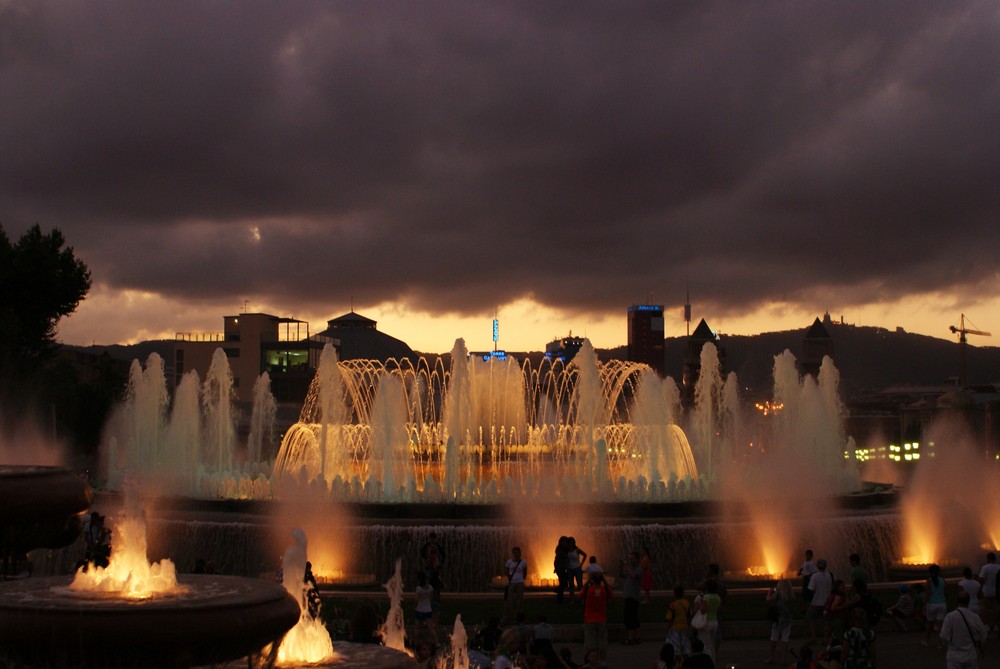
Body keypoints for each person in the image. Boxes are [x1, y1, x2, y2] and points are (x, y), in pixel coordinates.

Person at [940, 589, 988, 669]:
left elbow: (944, 636)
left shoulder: (950, 617)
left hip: (954, 655)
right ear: (968, 601)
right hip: (971, 655)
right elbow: (984, 634)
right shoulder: (974, 617)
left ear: (957, 601)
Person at [581, 566, 612, 662]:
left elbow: (581, 594)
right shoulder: (604, 590)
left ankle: (591, 663)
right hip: (602, 619)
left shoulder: (589, 590)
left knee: (591, 644)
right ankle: (603, 662)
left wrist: (588, 581)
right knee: (602, 643)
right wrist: (605, 581)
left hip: (590, 619)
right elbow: (611, 594)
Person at [804, 558, 834, 644]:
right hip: (827, 602)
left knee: (811, 619)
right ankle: (825, 639)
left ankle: (813, 638)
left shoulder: (815, 576)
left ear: (817, 566)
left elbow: (811, 589)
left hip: (816, 602)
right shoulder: (829, 575)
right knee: (826, 621)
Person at [766, 579, 794, 665]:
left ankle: (771, 658)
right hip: (787, 619)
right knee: (785, 639)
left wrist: (769, 592)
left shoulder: (778, 594)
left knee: (774, 638)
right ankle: (783, 659)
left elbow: (768, 600)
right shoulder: (791, 595)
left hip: (777, 619)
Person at [695, 579, 722, 666]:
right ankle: (712, 663)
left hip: (707, 622)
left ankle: (707, 664)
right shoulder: (718, 597)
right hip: (715, 622)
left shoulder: (706, 597)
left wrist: (699, 607)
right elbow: (718, 610)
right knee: (712, 644)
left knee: (705, 645)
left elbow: (703, 610)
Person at [665, 584, 692, 663]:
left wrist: (667, 629)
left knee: (676, 650)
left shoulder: (672, 605)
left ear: (674, 594)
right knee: (685, 648)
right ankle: (687, 664)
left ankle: (679, 664)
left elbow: (669, 618)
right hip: (684, 627)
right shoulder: (687, 603)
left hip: (675, 628)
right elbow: (690, 615)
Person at [922, 563, 947, 648]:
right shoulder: (942, 580)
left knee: (929, 623)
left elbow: (928, 593)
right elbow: (945, 591)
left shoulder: (929, 580)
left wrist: (924, 605)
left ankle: (926, 641)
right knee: (939, 626)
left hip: (932, 604)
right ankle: (939, 643)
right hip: (942, 604)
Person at [622, 551, 643, 645]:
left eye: (633, 559)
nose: (631, 561)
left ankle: (631, 638)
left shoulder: (639, 568)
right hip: (628, 595)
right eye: (630, 559)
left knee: (631, 617)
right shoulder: (632, 568)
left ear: (638, 559)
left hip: (633, 596)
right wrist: (625, 567)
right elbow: (624, 574)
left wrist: (627, 566)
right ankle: (636, 637)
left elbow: (634, 575)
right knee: (631, 617)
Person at [502, 546, 527, 625]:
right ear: (513, 553)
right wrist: (509, 577)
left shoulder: (523, 562)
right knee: (510, 600)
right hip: (511, 583)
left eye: (518, 553)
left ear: (520, 553)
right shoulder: (509, 562)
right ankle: (509, 616)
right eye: (515, 553)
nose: (517, 554)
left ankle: (519, 617)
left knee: (519, 600)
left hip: (520, 583)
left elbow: (525, 572)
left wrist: (521, 579)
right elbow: (506, 571)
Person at [978, 551, 999, 634]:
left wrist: (979, 590)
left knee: (984, 609)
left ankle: (986, 625)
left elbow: (982, 580)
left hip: (986, 591)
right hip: (996, 592)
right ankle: (995, 625)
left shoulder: (985, 568)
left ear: (988, 559)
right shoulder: (998, 567)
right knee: (996, 610)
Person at [415, 570, 438, 643]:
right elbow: (431, 598)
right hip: (428, 610)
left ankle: (415, 642)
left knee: (418, 627)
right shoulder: (430, 588)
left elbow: (417, 599)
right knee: (431, 628)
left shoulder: (419, 588)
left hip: (419, 610)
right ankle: (437, 642)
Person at [554, 537, 570, 604]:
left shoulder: (566, 549)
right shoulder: (560, 550)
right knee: (563, 583)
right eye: (563, 542)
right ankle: (559, 599)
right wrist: (556, 568)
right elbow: (556, 559)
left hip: (563, 568)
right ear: (560, 542)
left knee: (564, 584)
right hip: (560, 569)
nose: (565, 543)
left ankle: (558, 592)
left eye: (566, 542)